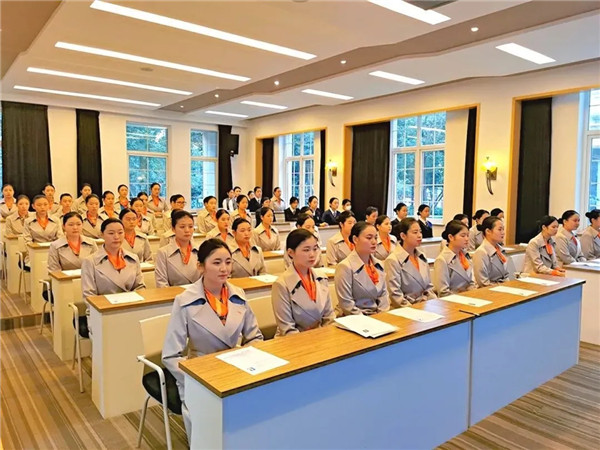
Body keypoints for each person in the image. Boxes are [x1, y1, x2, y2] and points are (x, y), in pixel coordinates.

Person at [162, 239, 263, 437]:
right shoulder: (184, 300)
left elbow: (255, 338)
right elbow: (170, 355)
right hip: (200, 375)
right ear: (200, 266)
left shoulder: (238, 294)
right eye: (216, 263)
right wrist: (197, 378)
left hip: (236, 368)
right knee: (210, 434)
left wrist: (247, 360)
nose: (224, 268)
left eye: (228, 262)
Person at [81, 218, 145, 328]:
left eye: (120, 233)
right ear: (102, 235)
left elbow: (140, 287)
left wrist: (131, 305)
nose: (116, 237)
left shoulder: (133, 258)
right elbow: (89, 295)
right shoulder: (90, 261)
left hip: (130, 308)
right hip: (102, 312)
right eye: (111, 233)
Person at [271, 229, 335, 336]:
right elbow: (287, 329)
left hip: (322, 336)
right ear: (291, 252)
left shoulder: (321, 278)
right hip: (294, 340)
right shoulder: (281, 284)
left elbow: (329, 318)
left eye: (315, 249)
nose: (312, 254)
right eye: (306, 250)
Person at [335, 221, 389, 316]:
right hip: (355, 318)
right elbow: (346, 304)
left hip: (378, 316)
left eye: (376, 238)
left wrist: (382, 316)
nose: (374, 242)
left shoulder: (379, 264)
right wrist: (367, 320)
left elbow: (384, 295)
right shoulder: (345, 266)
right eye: (369, 238)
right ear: (355, 239)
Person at [385, 218, 436, 307]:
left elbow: (429, 287)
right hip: (406, 308)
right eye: (415, 232)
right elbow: (395, 294)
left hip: (426, 304)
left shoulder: (421, 256)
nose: (419, 235)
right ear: (403, 236)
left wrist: (434, 303)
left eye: (420, 232)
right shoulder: (393, 260)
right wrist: (412, 309)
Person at [155, 210, 201, 288]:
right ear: (173, 229)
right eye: (182, 227)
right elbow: (161, 283)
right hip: (173, 294)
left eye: (190, 226)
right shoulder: (163, 252)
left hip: (198, 293)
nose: (187, 230)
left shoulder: (200, 250)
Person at [433, 220, 476, 297]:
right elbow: (443, 292)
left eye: (467, 235)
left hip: (469, 297)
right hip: (452, 300)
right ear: (451, 237)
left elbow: (471, 282)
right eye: (463, 236)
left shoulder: (465, 255)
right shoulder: (442, 260)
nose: (466, 239)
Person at [472, 216, 514, 287]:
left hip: (502, 288)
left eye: (503, 229)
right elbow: (483, 283)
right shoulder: (481, 252)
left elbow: (506, 275)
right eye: (499, 229)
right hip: (489, 291)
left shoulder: (500, 250)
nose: (503, 233)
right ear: (488, 231)